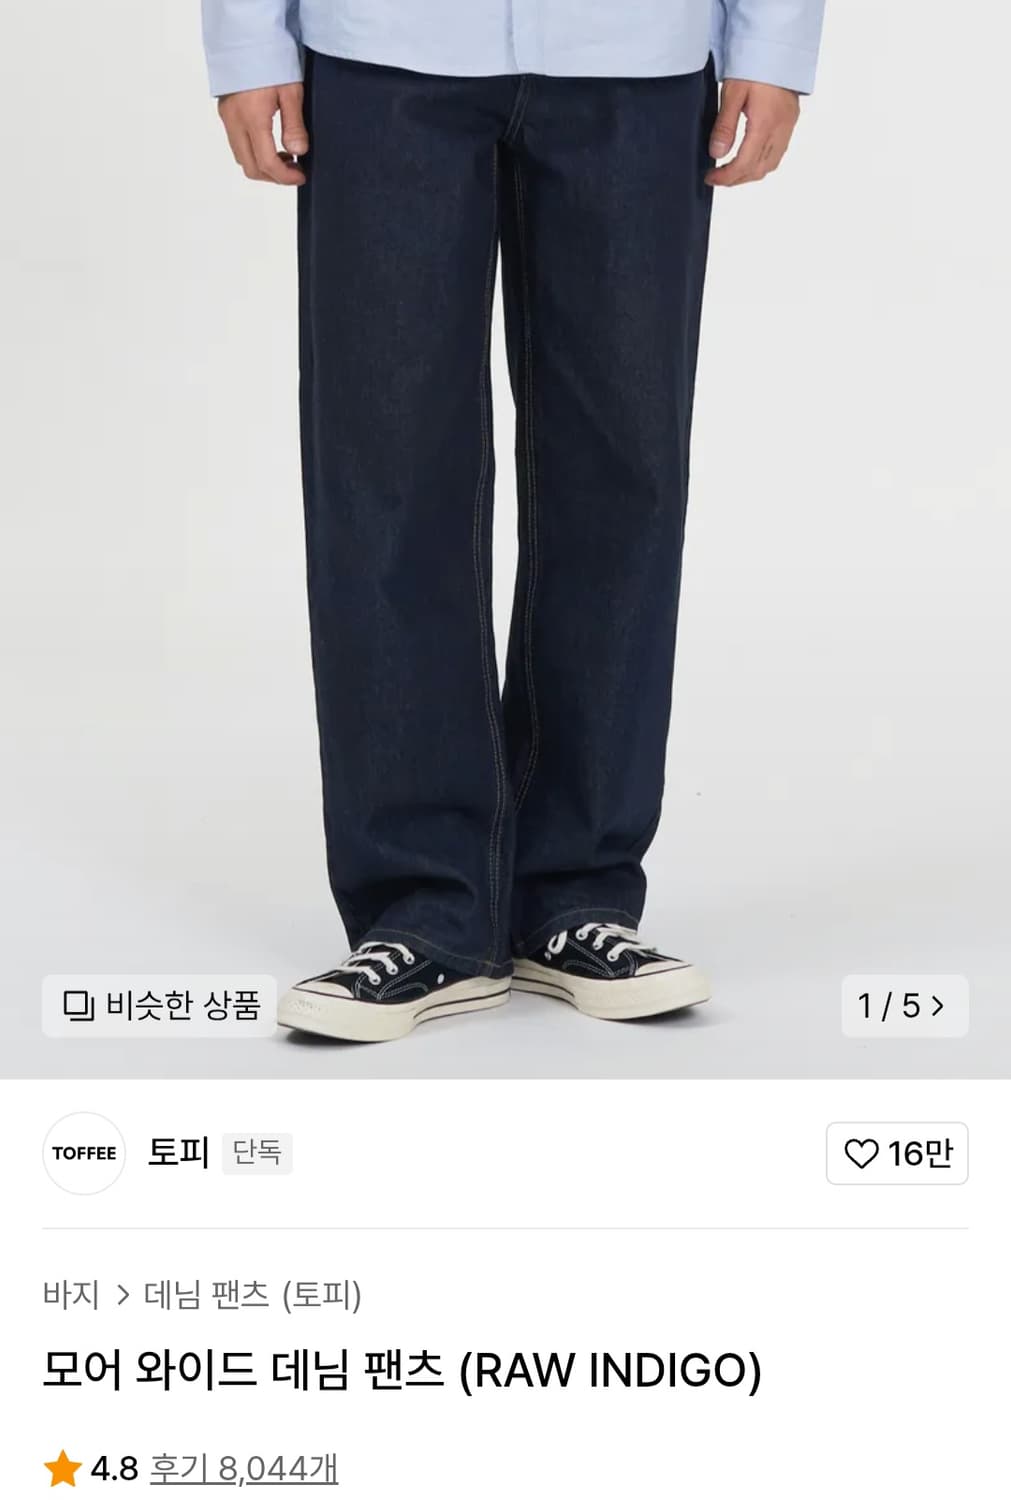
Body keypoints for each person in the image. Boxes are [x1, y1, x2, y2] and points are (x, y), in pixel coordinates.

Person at [202, 0, 826, 1043]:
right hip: (382, 55)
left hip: (640, 58)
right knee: (387, 473)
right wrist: (247, 39)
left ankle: (572, 894)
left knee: (622, 470)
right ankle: (423, 907)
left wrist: (774, 41)